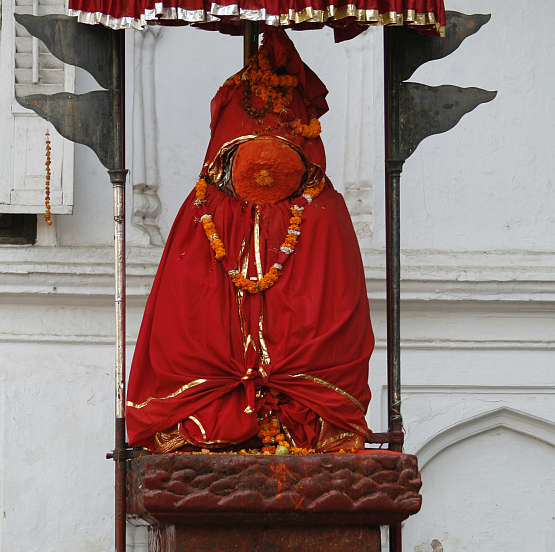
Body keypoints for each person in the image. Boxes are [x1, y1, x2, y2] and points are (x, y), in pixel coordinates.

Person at [126, 29, 374, 454]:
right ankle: (230, 414)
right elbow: (182, 312)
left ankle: (283, 417)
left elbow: (337, 308)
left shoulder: (321, 212)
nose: (263, 171)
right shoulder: (204, 209)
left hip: (305, 401)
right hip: (210, 395)